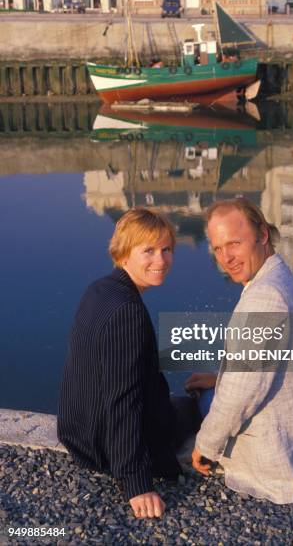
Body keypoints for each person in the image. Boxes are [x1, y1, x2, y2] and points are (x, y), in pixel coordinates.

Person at [186, 197, 293, 504]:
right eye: (217, 248)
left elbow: (240, 394)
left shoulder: (265, 297)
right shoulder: (289, 281)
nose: (225, 258)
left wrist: (205, 446)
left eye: (234, 243)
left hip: (281, 449)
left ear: (262, 234)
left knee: (196, 406)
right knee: (210, 389)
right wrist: (220, 379)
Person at [58, 208, 196, 519]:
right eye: (148, 250)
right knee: (193, 407)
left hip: (77, 434)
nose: (160, 261)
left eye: (166, 250)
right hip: (103, 447)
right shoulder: (128, 313)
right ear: (123, 253)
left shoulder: (99, 290)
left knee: (176, 397)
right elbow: (124, 399)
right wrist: (136, 482)